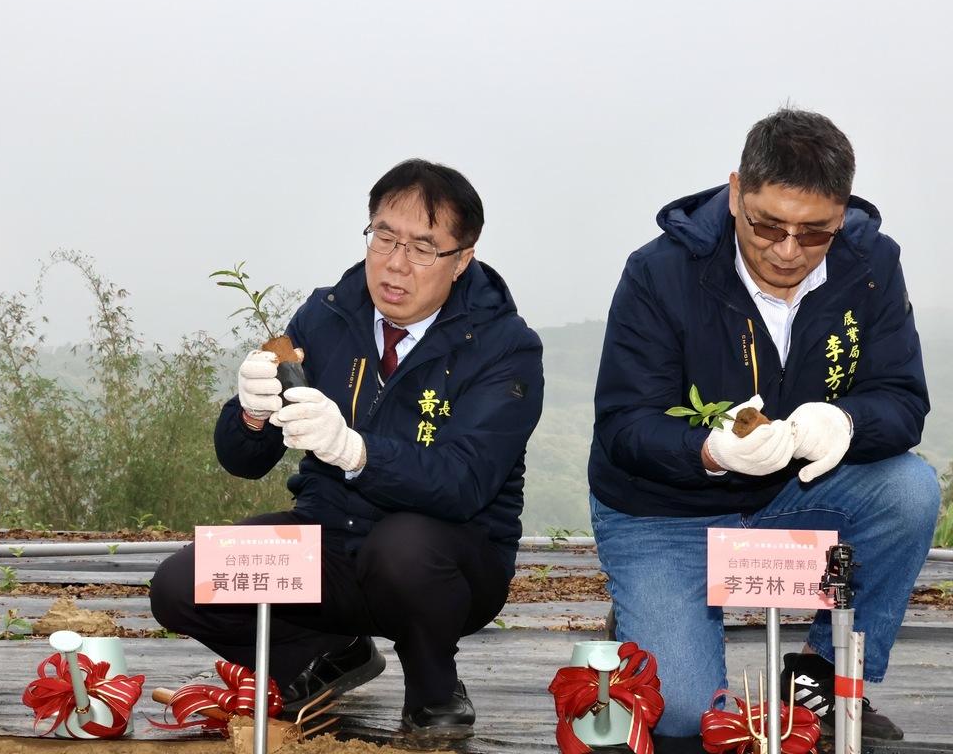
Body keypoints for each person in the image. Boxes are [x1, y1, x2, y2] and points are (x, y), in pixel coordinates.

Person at [150, 158, 543, 738]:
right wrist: (251, 415)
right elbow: (242, 461)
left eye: (424, 248)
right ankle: (324, 658)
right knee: (182, 586)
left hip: (448, 561)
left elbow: (464, 484)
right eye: (384, 236)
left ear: (463, 260)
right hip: (331, 540)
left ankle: (433, 689)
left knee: (402, 547)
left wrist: (356, 452)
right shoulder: (327, 315)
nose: (396, 263)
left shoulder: (506, 347)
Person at [589, 108, 939, 752]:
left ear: (843, 214)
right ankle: (649, 604)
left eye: (815, 233)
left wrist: (843, 422)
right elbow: (624, 426)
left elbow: (902, 398)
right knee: (684, 717)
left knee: (909, 490)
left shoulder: (870, 264)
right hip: (665, 509)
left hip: (791, 492)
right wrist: (710, 450)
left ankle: (820, 675)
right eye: (768, 224)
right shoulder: (661, 271)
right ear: (734, 192)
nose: (787, 250)